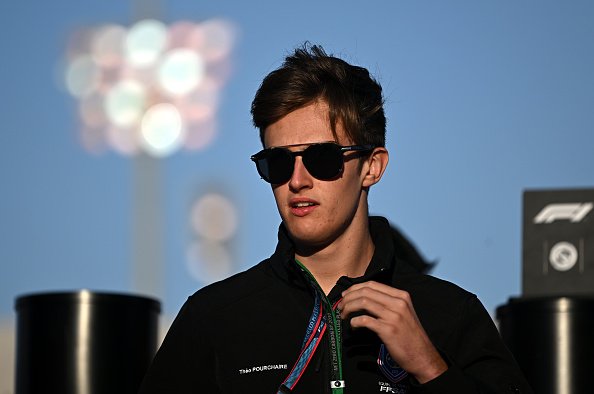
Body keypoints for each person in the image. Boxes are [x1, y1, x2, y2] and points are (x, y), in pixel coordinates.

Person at [138, 44, 532, 394]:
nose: (296, 180)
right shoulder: (214, 317)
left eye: (321, 158)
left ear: (372, 167)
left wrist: (431, 368)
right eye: (277, 162)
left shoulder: (449, 314)